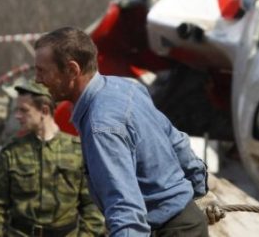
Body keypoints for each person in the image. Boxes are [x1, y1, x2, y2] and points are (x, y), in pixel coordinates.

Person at [33, 27, 211, 236]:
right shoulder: (127, 88)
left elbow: (126, 210)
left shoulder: (101, 125)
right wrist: (198, 192)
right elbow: (177, 142)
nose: (37, 79)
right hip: (188, 223)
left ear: (72, 70)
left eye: (42, 71)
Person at [0, 80, 105, 237]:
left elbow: (92, 206)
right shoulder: (11, 152)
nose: (17, 116)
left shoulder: (78, 151)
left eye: (24, 110)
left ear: (44, 111)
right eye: (17, 110)